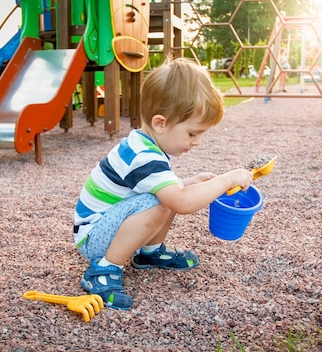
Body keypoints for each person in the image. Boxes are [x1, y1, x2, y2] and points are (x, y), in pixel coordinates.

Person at [73, 58, 253, 310]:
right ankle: (102, 270)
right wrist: (227, 179)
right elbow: (181, 201)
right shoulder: (143, 155)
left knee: (165, 197)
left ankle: (149, 252)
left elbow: (160, 188)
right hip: (93, 238)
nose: (198, 142)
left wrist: (190, 182)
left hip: (107, 224)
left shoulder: (146, 144)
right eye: (193, 133)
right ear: (160, 123)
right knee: (162, 202)